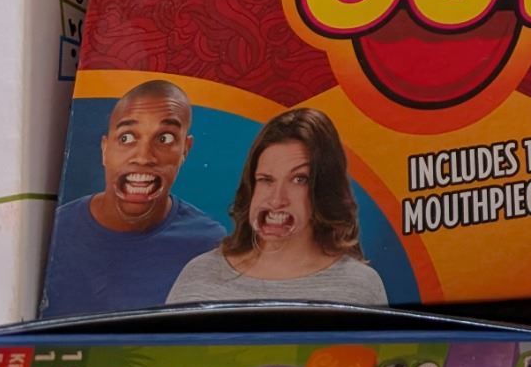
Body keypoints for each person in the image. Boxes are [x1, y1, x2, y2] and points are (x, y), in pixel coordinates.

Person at [40, 79, 226, 316]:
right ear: (105, 149)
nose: (143, 157)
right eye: (126, 138)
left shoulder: (210, 246)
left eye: (165, 139)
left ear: (185, 150)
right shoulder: (50, 234)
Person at [166, 107, 386, 304]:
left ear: (325, 190)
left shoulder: (358, 286)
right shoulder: (199, 275)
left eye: (299, 180)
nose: (276, 200)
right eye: (266, 179)